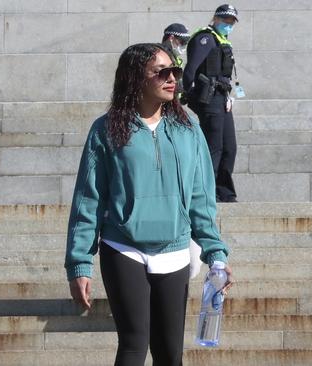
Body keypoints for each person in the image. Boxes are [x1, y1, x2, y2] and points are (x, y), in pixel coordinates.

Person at [65, 43, 233, 366]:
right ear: (135, 78)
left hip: (175, 251)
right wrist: (79, 263)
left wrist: (217, 255)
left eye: (175, 72)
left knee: (170, 353)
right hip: (123, 246)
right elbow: (88, 198)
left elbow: (201, 198)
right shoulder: (106, 130)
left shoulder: (189, 130)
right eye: (162, 72)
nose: (172, 79)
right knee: (133, 344)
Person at [183, 4, 239, 202]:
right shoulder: (205, 39)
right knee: (213, 148)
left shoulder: (222, 40)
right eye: (225, 20)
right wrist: (189, 95)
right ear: (215, 18)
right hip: (210, 99)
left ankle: (225, 193)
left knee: (229, 147)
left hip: (222, 98)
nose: (228, 24)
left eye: (232, 21)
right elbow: (190, 70)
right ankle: (207, 194)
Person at [162, 23, 191, 100]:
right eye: (182, 42)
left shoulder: (174, 57)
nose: (184, 46)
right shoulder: (161, 56)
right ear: (171, 38)